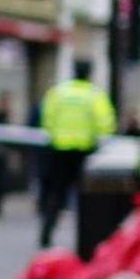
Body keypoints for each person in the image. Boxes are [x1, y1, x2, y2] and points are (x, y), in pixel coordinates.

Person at [34, 61, 114, 246]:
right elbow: (105, 124)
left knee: (56, 194)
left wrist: (56, 135)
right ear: (89, 73)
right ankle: (85, 238)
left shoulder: (59, 92)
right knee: (85, 198)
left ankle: (46, 234)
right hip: (84, 151)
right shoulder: (94, 95)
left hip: (59, 149)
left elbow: (47, 117)